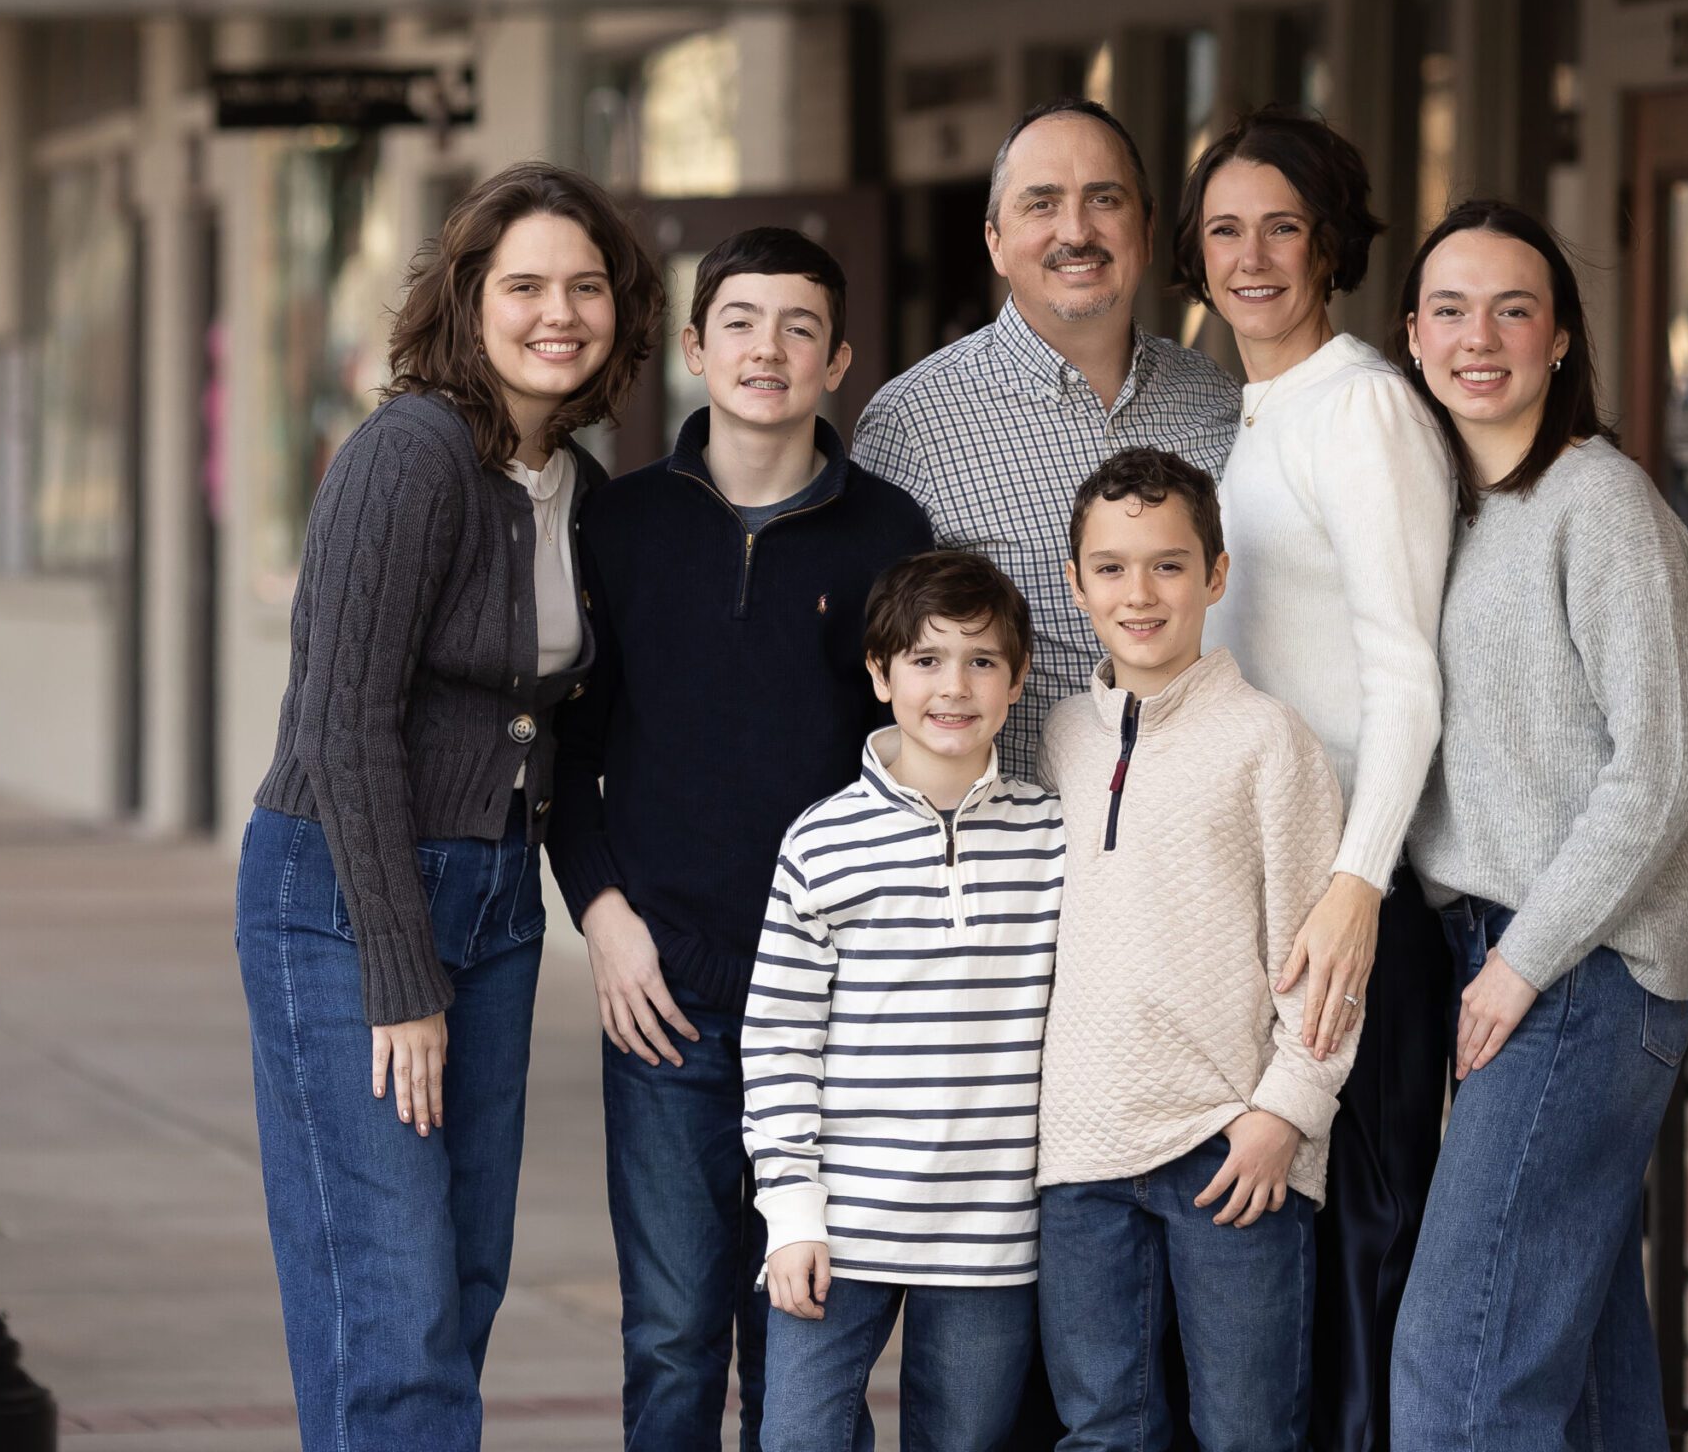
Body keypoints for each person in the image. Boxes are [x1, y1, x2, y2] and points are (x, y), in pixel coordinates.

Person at [235, 160, 663, 1452]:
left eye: (585, 286)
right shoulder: (408, 455)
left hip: (495, 900)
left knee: (455, 1292)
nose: (558, 312)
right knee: (397, 1310)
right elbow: (341, 725)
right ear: (467, 300)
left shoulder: (575, 488)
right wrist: (399, 974)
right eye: (525, 283)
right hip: (350, 898)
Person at [546, 226, 933, 1452]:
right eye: (744, 322)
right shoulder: (620, 527)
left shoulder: (888, 532)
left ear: (839, 361)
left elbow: (912, 753)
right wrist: (605, 918)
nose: (769, 348)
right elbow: (566, 755)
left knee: (802, 1340)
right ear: (700, 346)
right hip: (666, 998)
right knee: (668, 1334)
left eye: (801, 327)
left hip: (832, 1005)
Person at [1385, 201, 1688, 1450]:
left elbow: (1665, 764)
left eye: (1514, 309)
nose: (1482, 337)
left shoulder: (1600, 503)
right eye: (1452, 310)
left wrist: (1524, 958)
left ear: (1561, 337)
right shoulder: (1449, 511)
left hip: (1578, 962)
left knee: (1458, 1362)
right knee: (1576, 1361)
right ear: (1412, 336)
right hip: (1495, 949)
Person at [1179, 107, 1456, 1449]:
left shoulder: (1364, 408)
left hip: (1356, 910)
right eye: (1225, 229)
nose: (1251, 256)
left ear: (1330, 242)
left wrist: (1359, 884)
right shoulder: (1249, 411)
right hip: (1270, 897)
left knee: (1366, 1245)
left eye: (1280, 226)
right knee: (1284, 1253)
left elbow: (1409, 674)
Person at [1034, 447, 1358, 1452]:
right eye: (1114, 566)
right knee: (1101, 1430)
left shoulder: (1270, 740)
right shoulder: (1056, 738)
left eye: (1169, 564)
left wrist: (1286, 1114)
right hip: (1077, 1158)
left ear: (1216, 575)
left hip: (1232, 1149)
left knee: (1247, 1432)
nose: (1141, 592)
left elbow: (1326, 964)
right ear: (1076, 581)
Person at [742, 549, 1063, 1452]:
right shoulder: (823, 840)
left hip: (992, 1235)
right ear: (881, 675)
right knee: (798, 1438)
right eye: (925, 660)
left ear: (1018, 677)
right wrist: (791, 1210)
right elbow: (777, 1039)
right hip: (841, 1222)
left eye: (982, 660)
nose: (953, 687)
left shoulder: (1052, 834)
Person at [853, 97, 1242, 780]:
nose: (1076, 230)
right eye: (1041, 204)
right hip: (1012, 860)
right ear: (995, 242)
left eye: (1104, 200)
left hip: (1200, 834)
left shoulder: (1216, 400)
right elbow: (879, 673)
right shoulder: (912, 422)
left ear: (1147, 232)